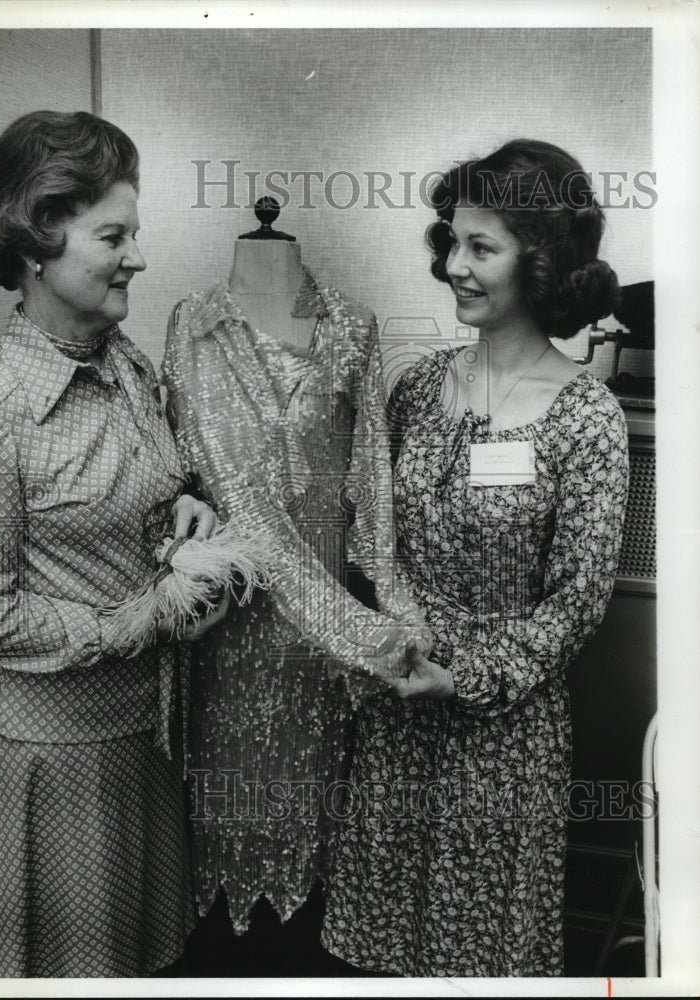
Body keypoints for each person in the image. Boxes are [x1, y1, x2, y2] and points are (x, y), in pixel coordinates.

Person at [321, 138, 630, 976]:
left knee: (475, 960)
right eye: (450, 242)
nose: (453, 265)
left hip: (503, 733)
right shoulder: (417, 389)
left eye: (480, 248)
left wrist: (463, 677)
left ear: (542, 264)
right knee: (380, 953)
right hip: (396, 712)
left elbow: (577, 605)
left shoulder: (586, 419)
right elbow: (371, 538)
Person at [0, 110, 229, 978]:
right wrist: (135, 623)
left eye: (134, 233)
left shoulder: (125, 362)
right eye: (115, 235)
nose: (137, 256)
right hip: (55, 761)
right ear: (37, 242)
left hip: (144, 731)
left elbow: (145, 490)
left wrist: (189, 509)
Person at [161, 229, 432, 972]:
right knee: (222, 812)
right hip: (229, 627)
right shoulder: (190, 323)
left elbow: (371, 477)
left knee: (313, 817)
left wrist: (393, 607)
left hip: (323, 640)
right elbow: (177, 464)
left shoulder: (352, 325)